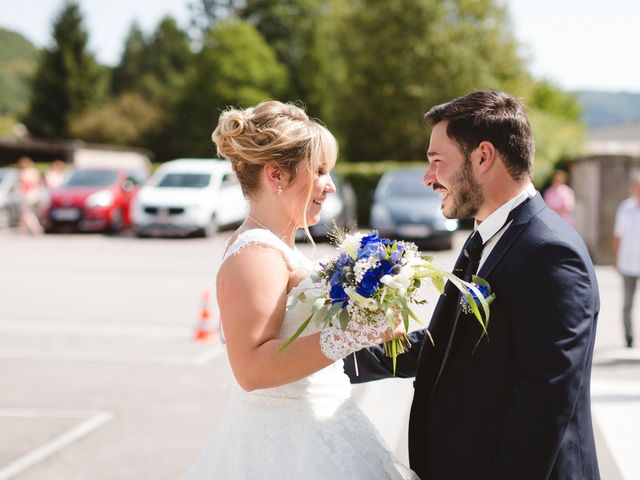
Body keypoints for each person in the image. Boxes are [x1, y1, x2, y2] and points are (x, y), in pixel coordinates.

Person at [345, 90, 600, 479]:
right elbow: (445, 343)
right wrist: (335, 359)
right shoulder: (485, 236)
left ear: (483, 156)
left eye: (436, 161)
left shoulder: (550, 254)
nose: (428, 178)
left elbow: (542, 408)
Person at [183, 101, 417, 479]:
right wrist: (354, 332)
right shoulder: (255, 254)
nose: (329, 186)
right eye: (321, 171)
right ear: (276, 175)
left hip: (324, 429)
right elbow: (252, 370)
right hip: (285, 452)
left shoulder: (277, 248)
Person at [614, 172, 640, 348]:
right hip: (628, 262)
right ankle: (628, 336)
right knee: (627, 303)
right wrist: (616, 259)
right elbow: (618, 235)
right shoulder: (625, 207)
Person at [17, 156, 44, 235]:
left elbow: (24, 186)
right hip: (36, 194)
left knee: (27, 213)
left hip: (28, 195)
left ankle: (37, 228)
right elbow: (39, 183)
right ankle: (23, 229)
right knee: (28, 212)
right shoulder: (34, 171)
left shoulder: (23, 173)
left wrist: (23, 195)